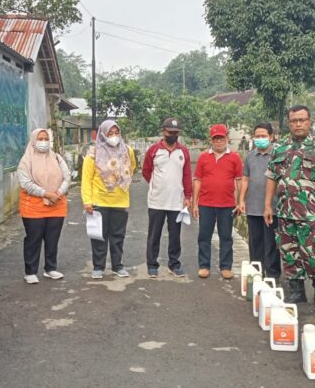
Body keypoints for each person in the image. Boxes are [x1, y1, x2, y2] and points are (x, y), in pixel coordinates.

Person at [264, 105, 315, 304]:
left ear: (309, 122)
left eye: (302, 120)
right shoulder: (280, 148)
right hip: (285, 211)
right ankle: (297, 290)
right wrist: (267, 206)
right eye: (293, 121)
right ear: (289, 123)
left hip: (312, 213)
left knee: (313, 251)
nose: (298, 124)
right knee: (289, 253)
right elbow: (272, 177)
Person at [81, 120, 135, 279]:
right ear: (103, 134)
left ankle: (117, 266)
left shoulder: (127, 151)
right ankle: (98, 266)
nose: (114, 136)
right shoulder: (93, 153)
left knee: (118, 236)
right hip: (99, 201)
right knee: (99, 235)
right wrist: (87, 201)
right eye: (110, 133)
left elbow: (131, 169)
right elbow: (86, 179)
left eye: (116, 133)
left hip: (121, 200)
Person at [18, 128, 71, 284]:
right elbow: (26, 183)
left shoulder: (56, 157)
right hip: (34, 207)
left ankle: (50, 268)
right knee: (33, 239)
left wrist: (58, 193)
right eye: (40, 138)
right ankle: (30, 271)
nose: (43, 142)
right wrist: (47, 194)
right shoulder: (26, 160)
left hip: (57, 205)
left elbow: (67, 177)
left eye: (45, 138)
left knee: (52, 239)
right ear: (34, 140)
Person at [142, 117, 193, 278]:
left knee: (175, 235)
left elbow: (186, 175)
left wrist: (188, 196)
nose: (173, 135)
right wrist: (157, 185)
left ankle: (174, 264)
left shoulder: (183, 151)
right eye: (170, 132)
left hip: (176, 202)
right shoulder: (153, 150)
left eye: (176, 133)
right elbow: (146, 171)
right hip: (157, 200)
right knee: (154, 234)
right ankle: (152, 264)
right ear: (163, 131)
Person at [193, 124, 243, 280]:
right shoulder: (203, 157)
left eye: (221, 138)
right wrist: (195, 203)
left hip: (227, 204)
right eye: (215, 139)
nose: (219, 141)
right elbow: (198, 180)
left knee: (226, 237)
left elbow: (239, 181)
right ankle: (204, 265)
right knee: (204, 236)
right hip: (206, 203)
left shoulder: (234, 157)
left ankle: (226, 267)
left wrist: (240, 201)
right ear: (211, 140)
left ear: (226, 138)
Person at [237, 122, 281, 280]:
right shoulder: (250, 156)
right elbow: (245, 179)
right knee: (255, 244)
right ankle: (256, 275)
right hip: (253, 207)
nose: (260, 139)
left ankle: (272, 277)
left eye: (263, 136)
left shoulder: (278, 154)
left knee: (271, 244)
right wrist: (241, 200)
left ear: (271, 137)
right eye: (257, 136)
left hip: (273, 208)